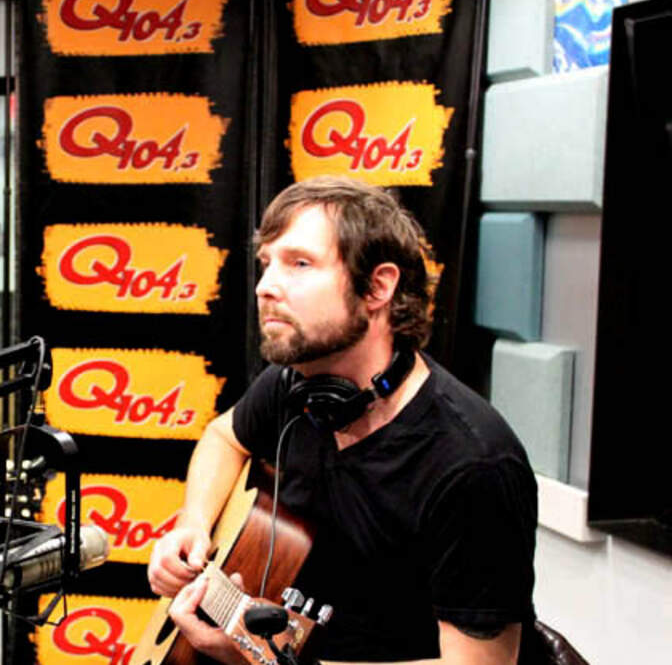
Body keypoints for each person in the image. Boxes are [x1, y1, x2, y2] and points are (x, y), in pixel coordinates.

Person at [146, 176, 537, 663]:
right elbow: (223, 437)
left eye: (300, 264)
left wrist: (268, 660)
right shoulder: (293, 384)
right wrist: (193, 524)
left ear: (378, 286)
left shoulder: (472, 465)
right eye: (267, 264)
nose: (265, 287)